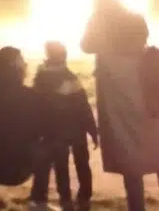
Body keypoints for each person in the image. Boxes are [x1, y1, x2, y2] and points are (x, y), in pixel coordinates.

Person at [82, 0, 159, 211]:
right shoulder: (134, 18)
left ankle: (136, 206)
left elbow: (85, 46)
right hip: (146, 90)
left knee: (128, 155)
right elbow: (143, 39)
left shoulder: (99, 23)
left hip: (117, 97)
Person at [30, 41, 98, 211]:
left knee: (61, 166)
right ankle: (84, 197)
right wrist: (92, 130)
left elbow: (37, 108)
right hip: (75, 130)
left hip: (54, 131)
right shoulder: (69, 78)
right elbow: (83, 107)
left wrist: (37, 131)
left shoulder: (40, 79)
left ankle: (65, 199)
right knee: (81, 163)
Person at [0, 46, 42, 211]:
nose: (25, 63)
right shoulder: (27, 96)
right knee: (49, 146)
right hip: (17, 167)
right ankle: (39, 201)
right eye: (22, 60)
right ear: (13, 65)